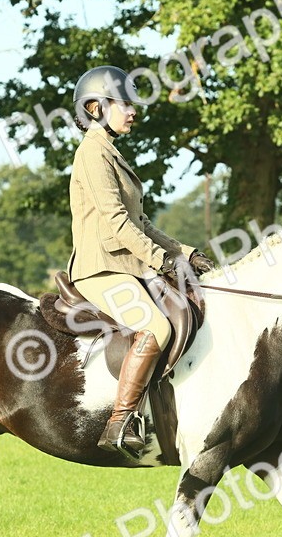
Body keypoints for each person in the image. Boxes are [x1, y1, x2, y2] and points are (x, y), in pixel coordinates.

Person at [68, 65, 214, 458]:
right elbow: (116, 223)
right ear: (97, 107)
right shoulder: (92, 153)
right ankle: (121, 421)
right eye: (126, 104)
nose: (133, 111)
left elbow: (141, 222)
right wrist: (161, 261)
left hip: (126, 267)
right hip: (101, 268)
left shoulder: (111, 152)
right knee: (156, 325)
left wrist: (183, 253)